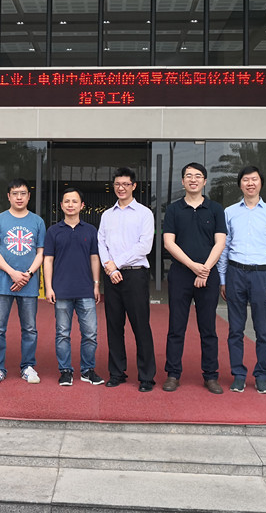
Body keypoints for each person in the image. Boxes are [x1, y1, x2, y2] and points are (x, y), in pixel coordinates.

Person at [162, 162, 227, 394]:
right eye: (188, 175)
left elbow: (220, 242)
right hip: (181, 274)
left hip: (208, 275)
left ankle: (211, 376)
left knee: (208, 328)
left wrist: (205, 269)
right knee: (176, 327)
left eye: (198, 176)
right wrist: (193, 266)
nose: (193, 179)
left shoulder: (215, 209)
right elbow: (168, 242)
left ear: (204, 181)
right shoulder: (174, 209)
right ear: (182, 181)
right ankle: (173, 374)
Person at [218, 165, 266, 395]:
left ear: (260, 183)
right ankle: (238, 375)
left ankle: (261, 376)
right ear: (240, 184)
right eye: (245, 179)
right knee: (235, 329)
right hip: (235, 273)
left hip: (260, 275)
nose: (250, 183)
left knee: (262, 330)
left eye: (254, 179)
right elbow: (224, 248)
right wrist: (223, 279)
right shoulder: (229, 212)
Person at [97, 167, 156, 392]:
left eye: (125, 184)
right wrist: (109, 268)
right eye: (117, 184)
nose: (121, 188)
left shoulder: (144, 213)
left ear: (134, 186)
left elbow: (144, 246)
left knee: (140, 326)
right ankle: (117, 372)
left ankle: (146, 377)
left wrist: (117, 263)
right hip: (112, 276)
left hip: (135, 274)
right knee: (114, 325)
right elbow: (101, 242)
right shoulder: (107, 215)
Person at [0, 178, 46, 385]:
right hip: (3, 282)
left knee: (30, 328)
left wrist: (27, 274)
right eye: (15, 193)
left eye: (23, 193)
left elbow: (41, 253)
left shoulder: (37, 221)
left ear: (29, 196)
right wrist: (13, 273)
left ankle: (28, 366)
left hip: (28, 283)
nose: (19, 197)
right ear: (8, 196)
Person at [43, 187, 104, 387]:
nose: (71, 205)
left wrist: (96, 284)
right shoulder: (53, 231)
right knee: (62, 333)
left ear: (82, 205)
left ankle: (87, 370)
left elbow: (94, 258)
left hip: (86, 290)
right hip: (61, 291)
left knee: (90, 334)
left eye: (75, 201)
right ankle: (65, 371)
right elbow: (48, 260)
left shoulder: (90, 230)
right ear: (61, 205)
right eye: (67, 201)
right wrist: (48, 287)